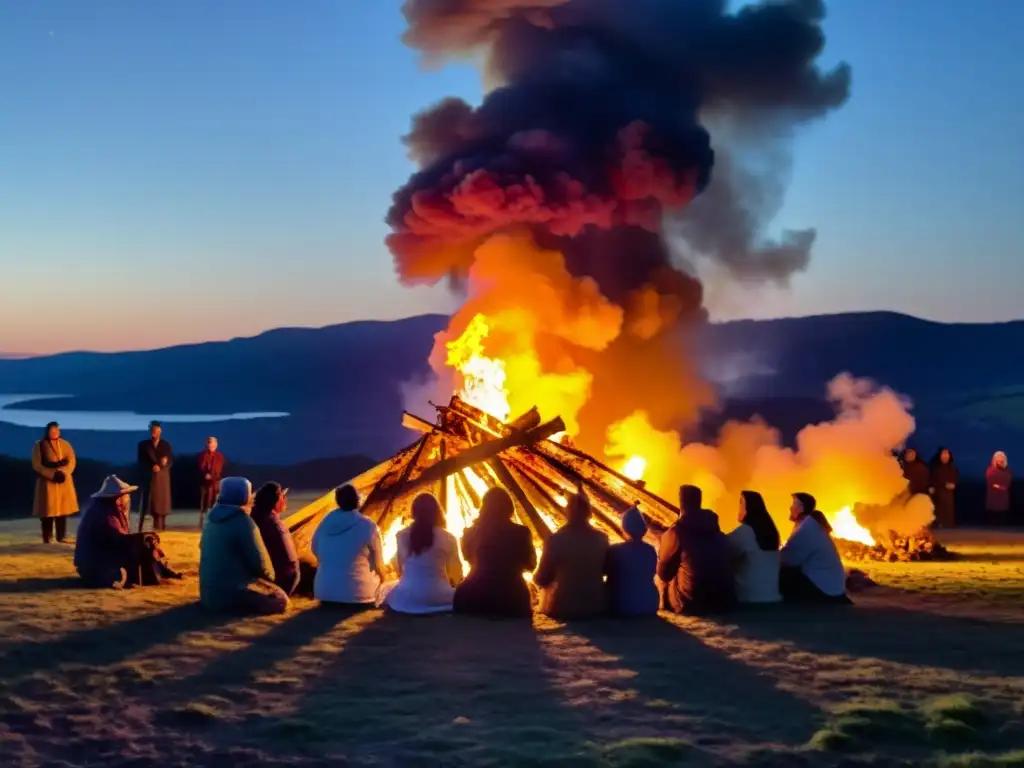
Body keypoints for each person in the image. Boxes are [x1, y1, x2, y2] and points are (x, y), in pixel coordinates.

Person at [199, 477, 288, 615]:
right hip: (230, 597)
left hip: (208, 595)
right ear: (243, 495)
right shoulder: (244, 522)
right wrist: (273, 581)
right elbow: (261, 564)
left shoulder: (210, 520)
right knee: (281, 599)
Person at [74, 475, 183, 588]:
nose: (128, 499)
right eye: (126, 496)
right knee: (141, 545)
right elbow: (119, 539)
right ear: (117, 499)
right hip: (96, 566)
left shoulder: (106, 509)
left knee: (144, 542)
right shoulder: (106, 514)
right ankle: (153, 574)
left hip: (98, 560)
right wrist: (143, 537)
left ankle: (159, 571)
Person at [453, 487, 536, 618]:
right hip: (513, 600)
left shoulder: (469, 533)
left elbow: (467, 558)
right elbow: (531, 565)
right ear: (509, 508)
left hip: (473, 598)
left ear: (484, 507)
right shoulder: (522, 532)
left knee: (461, 590)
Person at [657, 485, 736, 616]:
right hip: (724, 601)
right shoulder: (717, 531)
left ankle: (665, 610)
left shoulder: (676, 532)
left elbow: (663, 574)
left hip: (692, 603)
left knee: (663, 577)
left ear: (681, 502)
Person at [534, 489, 610, 620]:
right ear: (588, 512)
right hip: (595, 607)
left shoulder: (557, 539)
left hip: (563, 608)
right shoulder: (602, 539)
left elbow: (541, 578)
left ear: (568, 511)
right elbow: (606, 570)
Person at [384, 493, 464, 614]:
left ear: (414, 512)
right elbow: (457, 574)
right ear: (437, 512)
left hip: (408, 598)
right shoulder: (449, 537)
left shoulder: (401, 535)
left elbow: (400, 570)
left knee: (391, 588)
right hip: (440, 596)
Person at [312, 484, 387, 608]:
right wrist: (385, 580)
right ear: (358, 500)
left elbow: (315, 549)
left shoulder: (324, 524)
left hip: (325, 593)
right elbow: (379, 564)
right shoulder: (369, 526)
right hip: (360, 596)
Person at [779, 492, 850, 604]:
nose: (790, 508)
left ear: (801, 507)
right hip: (830, 585)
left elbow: (790, 559)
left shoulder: (807, 528)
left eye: (793, 504)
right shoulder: (809, 525)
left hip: (824, 589)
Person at [726, 490, 782, 604]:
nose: (738, 507)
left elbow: (724, 551)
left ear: (748, 508)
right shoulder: (772, 532)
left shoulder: (744, 532)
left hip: (747, 595)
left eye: (741, 503)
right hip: (771, 595)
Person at [603, 503, 659, 617]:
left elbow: (603, 571)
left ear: (625, 528)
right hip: (648, 605)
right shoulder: (650, 550)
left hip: (620, 606)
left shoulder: (614, 550)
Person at [31, 421, 79, 543]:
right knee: (47, 511)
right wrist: (51, 475)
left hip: (64, 482)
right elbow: (37, 464)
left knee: (62, 511)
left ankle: (61, 536)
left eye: (56, 430)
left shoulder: (65, 444)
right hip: (47, 483)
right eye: (51, 431)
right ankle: (47, 537)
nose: (54, 433)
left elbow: (71, 460)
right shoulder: (40, 445)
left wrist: (64, 473)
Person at [251, 482, 301, 596]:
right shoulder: (272, 523)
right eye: (283, 496)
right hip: (282, 582)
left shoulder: (254, 519)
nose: (286, 500)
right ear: (276, 501)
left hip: (274, 577)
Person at [137, 421, 174, 532]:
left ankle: (161, 525)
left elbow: (171, 460)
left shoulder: (166, 445)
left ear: (160, 431)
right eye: (153, 429)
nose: (155, 432)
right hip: (150, 476)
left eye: (157, 430)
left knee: (161, 502)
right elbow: (141, 461)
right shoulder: (143, 445)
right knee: (149, 501)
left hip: (162, 478)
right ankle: (145, 525)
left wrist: (164, 463)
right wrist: (152, 466)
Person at [197, 436, 225, 529]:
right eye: (209, 443)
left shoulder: (219, 457)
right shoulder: (202, 455)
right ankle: (204, 522)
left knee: (215, 502)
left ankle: (215, 521)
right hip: (204, 483)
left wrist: (212, 476)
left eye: (212, 443)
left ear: (216, 445)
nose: (211, 445)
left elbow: (219, 470)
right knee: (205, 502)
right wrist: (205, 475)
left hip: (215, 483)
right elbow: (200, 468)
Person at [929, 447, 958, 528]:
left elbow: (955, 479)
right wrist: (931, 487)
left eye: (946, 454)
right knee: (937, 508)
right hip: (937, 492)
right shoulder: (934, 467)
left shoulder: (952, 468)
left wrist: (953, 484)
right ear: (939, 456)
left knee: (948, 508)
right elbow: (931, 478)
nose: (945, 456)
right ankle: (937, 524)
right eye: (943, 454)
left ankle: (948, 524)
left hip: (948, 493)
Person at [985, 451, 1013, 523]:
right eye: (998, 461)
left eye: (1002, 461)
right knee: (994, 512)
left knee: (1002, 512)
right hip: (994, 495)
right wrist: (999, 487)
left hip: (1003, 496)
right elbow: (991, 482)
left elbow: (1008, 482)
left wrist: (1002, 487)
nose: (1000, 462)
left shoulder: (1008, 471)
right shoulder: (990, 470)